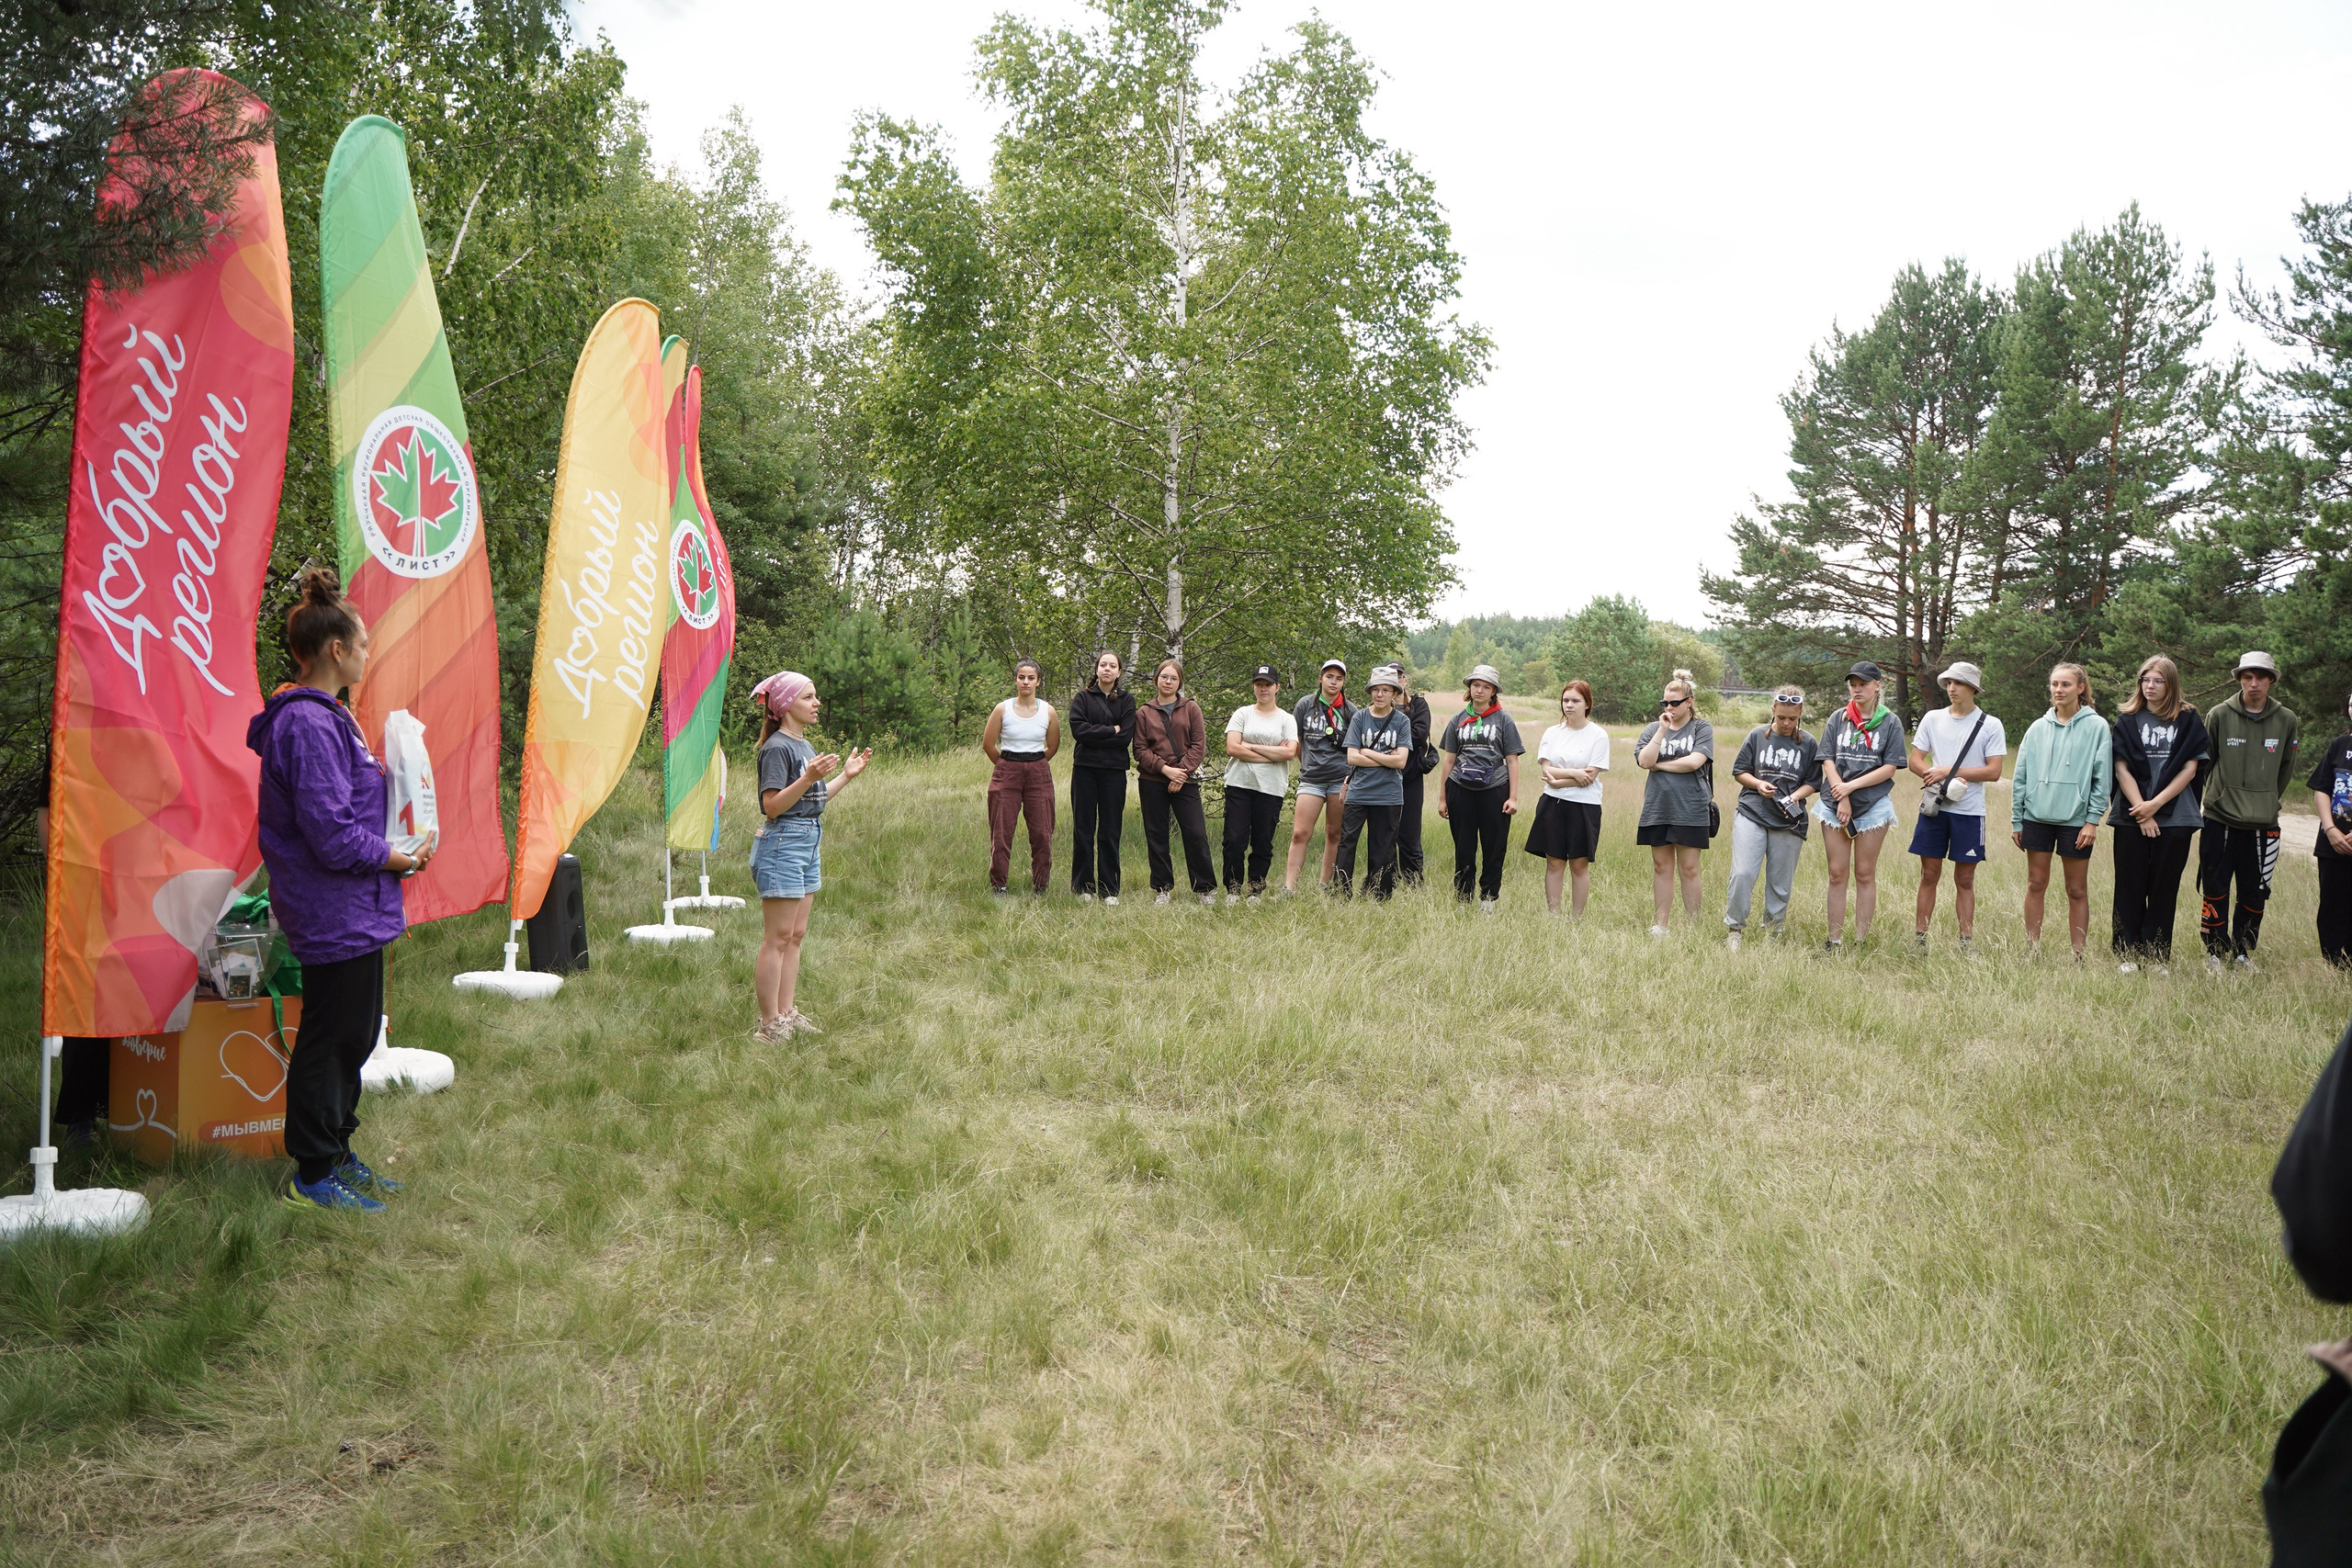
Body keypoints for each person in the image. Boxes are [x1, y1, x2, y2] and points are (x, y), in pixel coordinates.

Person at [246, 567, 433, 1213]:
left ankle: (338, 1150)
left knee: (354, 1035)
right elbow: (329, 832)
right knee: (331, 1038)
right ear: (336, 649)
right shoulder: (306, 724)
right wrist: (391, 855)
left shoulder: (333, 717)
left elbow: (353, 815)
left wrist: (400, 852)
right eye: (362, 642)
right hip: (332, 908)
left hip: (358, 905)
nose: (367, 650)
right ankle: (313, 1172)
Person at [751, 671, 873, 1040]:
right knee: (778, 937)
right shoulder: (777, 748)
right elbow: (772, 807)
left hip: (807, 839)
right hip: (783, 843)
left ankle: (787, 1012)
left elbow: (811, 802)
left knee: (796, 934)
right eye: (808, 697)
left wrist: (845, 776)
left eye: (815, 696)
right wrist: (807, 778)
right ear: (786, 705)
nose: (817, 703)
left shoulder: (803, 746)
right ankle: (769, 1024)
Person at [2202, 649, 2301, 971]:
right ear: (2240, 680)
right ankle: (2214, 953)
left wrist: (2268, 798)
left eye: (2260, 677)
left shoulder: (2286, 719)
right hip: (2220, 819)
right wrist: (2217, 796)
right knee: (2215, 886)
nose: (2253, 683)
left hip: (2263, 823)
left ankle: (2243, 953)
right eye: (2247, 677)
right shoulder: (2219, 714)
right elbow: (2207, 761)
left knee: (2255, 892)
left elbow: (2286, 767)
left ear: (2271, 680)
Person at [2109, 655, 2210, 972]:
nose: (2150, 686)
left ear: (2171, 684)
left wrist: (2156, 805)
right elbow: (2121, 767)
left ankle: (2156, 954)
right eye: (2145, 680)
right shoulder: (2127, 719)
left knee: (2164, 886)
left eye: (2158, 681)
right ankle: (2128, 952)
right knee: (2129, 883)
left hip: (2176, 816)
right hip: (2131, 814)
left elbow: (2191, 768)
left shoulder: (2188, 718)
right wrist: (2142, 809)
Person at [2010, 662, 2110, 960]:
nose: (2058, 690)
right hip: (2036, 818)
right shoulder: (2038, 728)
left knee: (2077, 889)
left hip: (2076, 821)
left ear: (2081, 688)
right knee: (2036, 883)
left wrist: (2092, 821)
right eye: (2054, 684)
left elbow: (2101, 777)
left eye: (2065, 684)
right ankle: (2032, 949)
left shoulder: (2097, 727)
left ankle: (2078, 954)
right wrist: (2017, 818)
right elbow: (2021, 776)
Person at [1906, 661, 2007, 951]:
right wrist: (1934, 776)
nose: (1951, 688)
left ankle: (1965, 943)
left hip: (1970, 813)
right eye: (1949, 683)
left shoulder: (1990, 724)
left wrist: (1949, 772)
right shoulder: (1933, 719)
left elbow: (1993, 771)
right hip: (1934, 809)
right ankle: (1920, 940)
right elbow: (1915, 759)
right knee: (1929, 875)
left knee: (1965, 879)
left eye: (1958, 683)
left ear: (1973, 688)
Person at [1815, 660, 1906, 952]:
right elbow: (1827, 758)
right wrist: (1841, 795)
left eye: (1864, 683)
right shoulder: (1838, 718)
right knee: (1837, 874)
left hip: (1872, 805)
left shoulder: (1890, 722)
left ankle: (1861, 941)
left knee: (1865, 874)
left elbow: (1890, 767)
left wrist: (1852, 788)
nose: (1857, 688)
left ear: (1877, 686)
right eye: (1853, 683)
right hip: (1834, 804)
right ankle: (1835, 941)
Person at [1723, 684, 1817, 947]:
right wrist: (1757, 784)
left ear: (1800, 713)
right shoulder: (1756, 736)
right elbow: (1740, 771)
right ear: (1773, 710)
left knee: (1780, 883)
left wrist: (1797, 795)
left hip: (1788, 820)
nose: (1786, 723)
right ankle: (1734, 931)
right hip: (1752, 812)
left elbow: (1814, 781)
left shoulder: (1808, 742)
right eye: (1781, 717)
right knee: (1742, 873)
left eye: (1793, 718)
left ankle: (1772, 936)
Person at [1437, 663, 1525, 910]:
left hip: (1495, 790)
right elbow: (1449, 760)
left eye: (1486, 687)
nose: (1480, 690)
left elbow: (1512, 760)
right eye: (1476, 685)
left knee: (1494, 848)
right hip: (1460, 790)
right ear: (1469, 687)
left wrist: (1513, 797)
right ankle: (1463, 900)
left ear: (1494, 691)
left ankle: (1488, 901)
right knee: (1464, 848)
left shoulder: (1504, 719)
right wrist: (1443, 798)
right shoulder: (1458, 719)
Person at [1634, 669, 1714, 935]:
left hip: (1691, 808)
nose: (1669, 707)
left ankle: (1693, 927)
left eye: (1674, 703)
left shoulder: (1701, 728)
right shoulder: (1653, 729)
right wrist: (1662, 730)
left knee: (1689, 868)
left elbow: (1695, 762)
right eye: (1665, 703)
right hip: (1658, 806)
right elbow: (1644, 762)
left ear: (1689, 702)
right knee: (1661, 867)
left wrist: (1661, 765)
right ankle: (1661, 925)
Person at [1135, 657, 1215, 905]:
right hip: (1153, 780)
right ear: (1156, 679)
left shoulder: (1191, 708)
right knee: (1156, 835)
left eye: (1173, 678)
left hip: (1185, 781)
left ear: (1179, 682)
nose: (1168, 681)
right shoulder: (1144, 712)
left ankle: (1205, 889)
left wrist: (1181, 773)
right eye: (1164, 676)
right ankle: (1162, 889)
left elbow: (1198, 746)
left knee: (1196, 834)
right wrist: (1166, 770)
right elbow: (1139, 749)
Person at [1524, 679, 1609, 916]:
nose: (1569, 705)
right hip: (1552, 804)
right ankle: (1554, 916)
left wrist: (1559, 780)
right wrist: (1573, 773)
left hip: (1585, 805)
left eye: (1575, 701)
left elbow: (1590, 776)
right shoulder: (1552, 733)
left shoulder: (1598, 735)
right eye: (1565, 700)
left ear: (1587, 704)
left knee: (1579, 864)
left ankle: (1577, 919)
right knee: (1554, 862)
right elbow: (1546, 770)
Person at [1334, 665, 1414, 899]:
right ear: (1371, 692)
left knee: (1383, 848)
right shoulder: (1360, 717)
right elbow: (1351, 756)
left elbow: (1401, 762)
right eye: (1376, 690)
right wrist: (1385, 758)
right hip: (1359, 792)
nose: (1380, 695)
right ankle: (1341, 892)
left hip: (1389, 794)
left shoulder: (1401, 721)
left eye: (1386, 690)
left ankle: (1379, 894)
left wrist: (1367, 753)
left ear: (1394, 693)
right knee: (1347, 844)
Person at [981, 659, 1059, 897]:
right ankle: (999, 886)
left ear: (1038, 681)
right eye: (1022, 677)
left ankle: (1041, 886)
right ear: (1015, 680)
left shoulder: (1048, 711)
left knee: (1042, 833)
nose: (1026, 682)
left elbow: (1053, 747)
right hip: (1007, 772)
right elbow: (988, 744)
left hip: (1038, 772)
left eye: (1031, 678)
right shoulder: (1002, 709)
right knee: (1002, 832)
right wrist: (1008, 765)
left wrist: (1032, 765)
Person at [1222, 664, 1299, 903]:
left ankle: (1255, 890)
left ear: (1277, 687)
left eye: (1268, 684)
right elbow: (1232, 747)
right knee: (1234, 841)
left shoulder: (1287, 719)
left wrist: (1251, 746)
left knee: (1262, 842)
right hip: (1239, 785)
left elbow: (1289, 754)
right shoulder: (1243, 714)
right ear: (1254, 687)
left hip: (1270, 788)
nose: (1263, 688)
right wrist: (1271, 753)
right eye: (1259, 684)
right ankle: (1233, 890)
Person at [1068, 651, 1136, 906]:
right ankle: (1083, 887)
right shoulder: (1082, 698)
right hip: (1085, 769)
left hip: (1114, 772)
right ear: (1097, 670)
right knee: (1083, 828)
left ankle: (1109, 889)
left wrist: (1101, 734)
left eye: (1112, 666)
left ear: (1119, 672)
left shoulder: (1127, 701)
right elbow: (1079, 731)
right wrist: (1111, 730)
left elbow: (1125, 737)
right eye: (1103, 665)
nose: (1107, 669)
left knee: (1110, 831)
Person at [1283, 660, 1355, 895]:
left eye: (1339, 678)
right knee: (1300, 832)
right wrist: (1308, 764)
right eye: (1329, 677)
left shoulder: (1350, 711)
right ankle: (1289, 887)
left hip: (1340, 779)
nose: (1334, 682)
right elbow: (1297, 741)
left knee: (1334, 833)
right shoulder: (1305, 705)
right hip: (1311, 779)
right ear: (1321, 678)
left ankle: (1324, 885)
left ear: (1343, 682)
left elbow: (1354, 747)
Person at [2307, 689, 2352, 966]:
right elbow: (2322, 789)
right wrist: (2330, 829)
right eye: (2351, 704)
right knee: (2332, 907)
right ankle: (2335, 963)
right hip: (2333, 842)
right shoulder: (2340, 744)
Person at [1397, 673, 1434, 886]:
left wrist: (1392, 740)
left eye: (1399, 676)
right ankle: (1385, 881)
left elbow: (1419, 735)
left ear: (1406, 679)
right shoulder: (1380, 703)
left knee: (1410, 832)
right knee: (1385, 833)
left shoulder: (1419, 704)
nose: (1396, 680)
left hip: (1412, 775)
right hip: (1383, 776)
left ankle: (1413, 883)